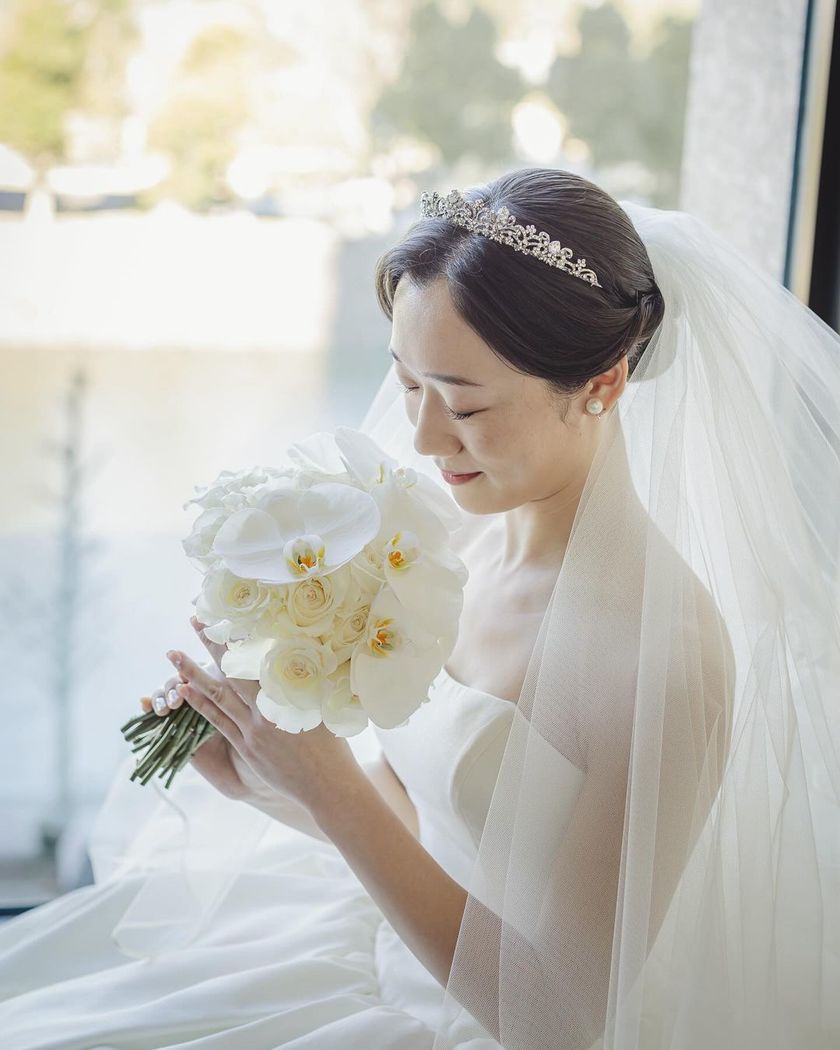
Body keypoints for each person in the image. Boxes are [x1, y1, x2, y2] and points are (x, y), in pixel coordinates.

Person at [1, 167, 838, 1050]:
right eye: (408, 385)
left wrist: (330, 789)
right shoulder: (444, 539)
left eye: (465, 403)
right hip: (377, 950)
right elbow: (422, 827)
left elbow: (560, 1019)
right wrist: (269, 777)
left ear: (602, 383)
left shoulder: (662, 659)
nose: (427, 439)